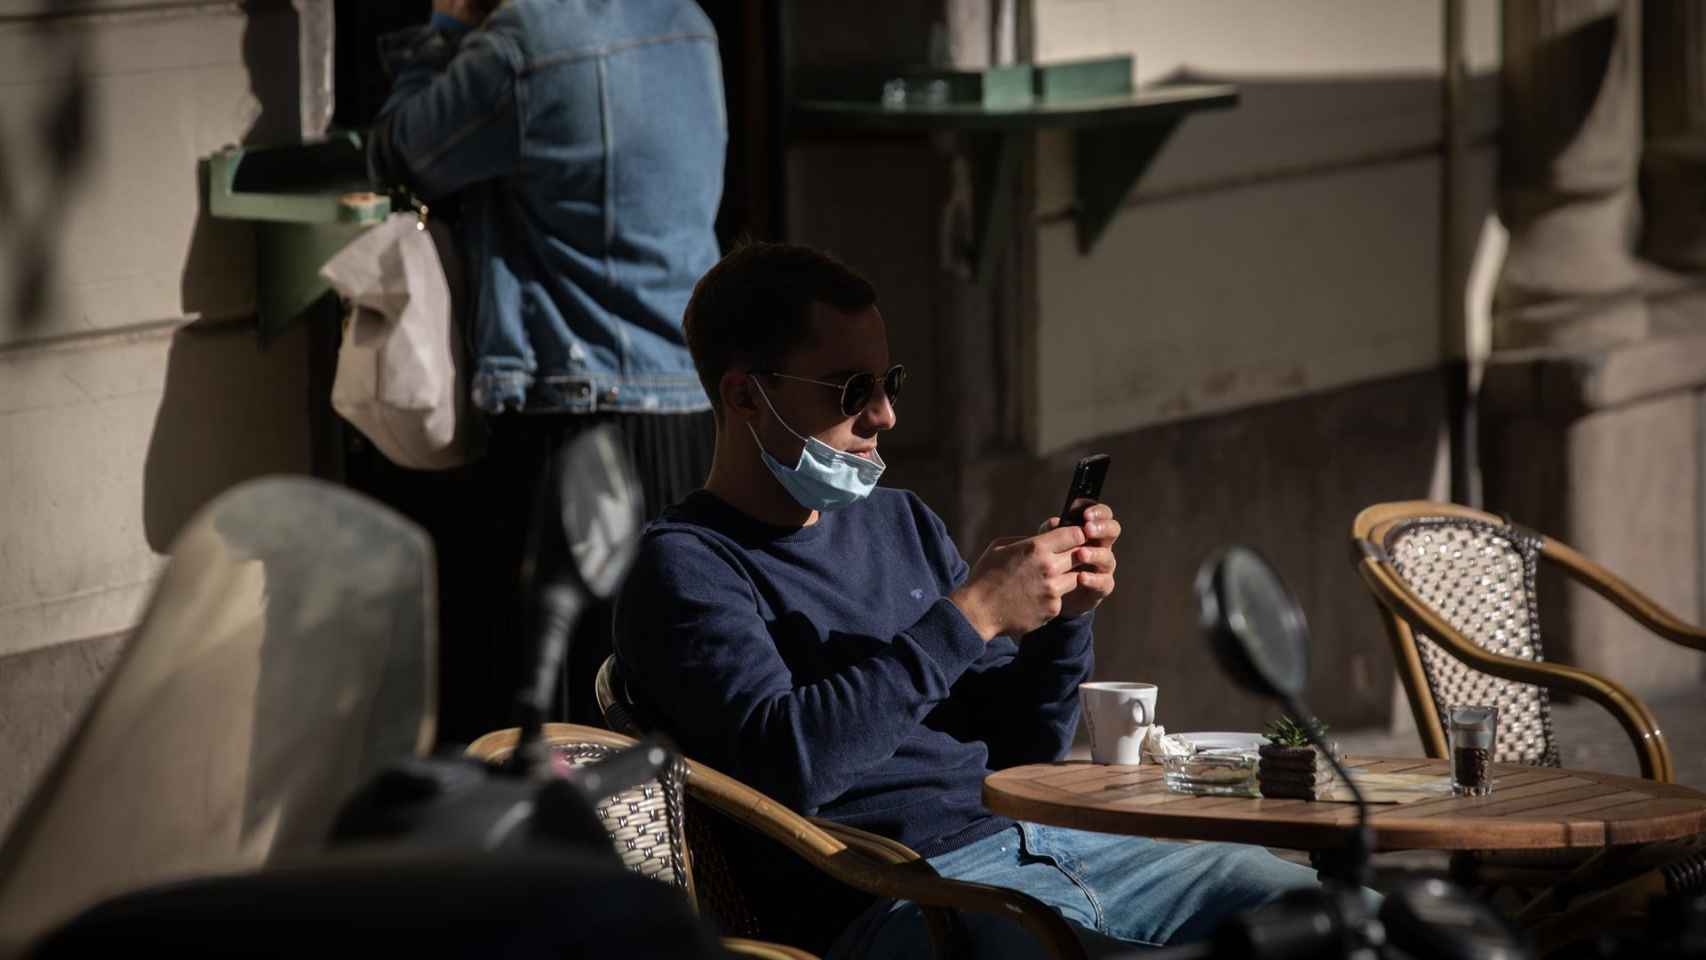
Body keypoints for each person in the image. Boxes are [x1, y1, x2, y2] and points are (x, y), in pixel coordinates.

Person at [613, 242, 1320, 958]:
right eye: (851, 390)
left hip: (1050, 847)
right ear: (744, 396)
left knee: (1336, 917)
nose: (885, 414)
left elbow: (1018, 750)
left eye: (888, 381)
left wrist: (1058, 623)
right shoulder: (686, 566)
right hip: (906, 900)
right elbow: (787, 764)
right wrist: (972, 613)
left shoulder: (901, 521)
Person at [365, 0, 725, 742]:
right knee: (657, 696)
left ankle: (570, 859)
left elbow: (400, 151)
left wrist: (443, 27)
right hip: (687, 405)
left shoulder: (526, 44)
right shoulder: (687, 19)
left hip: (579, 414)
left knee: (563, 718)